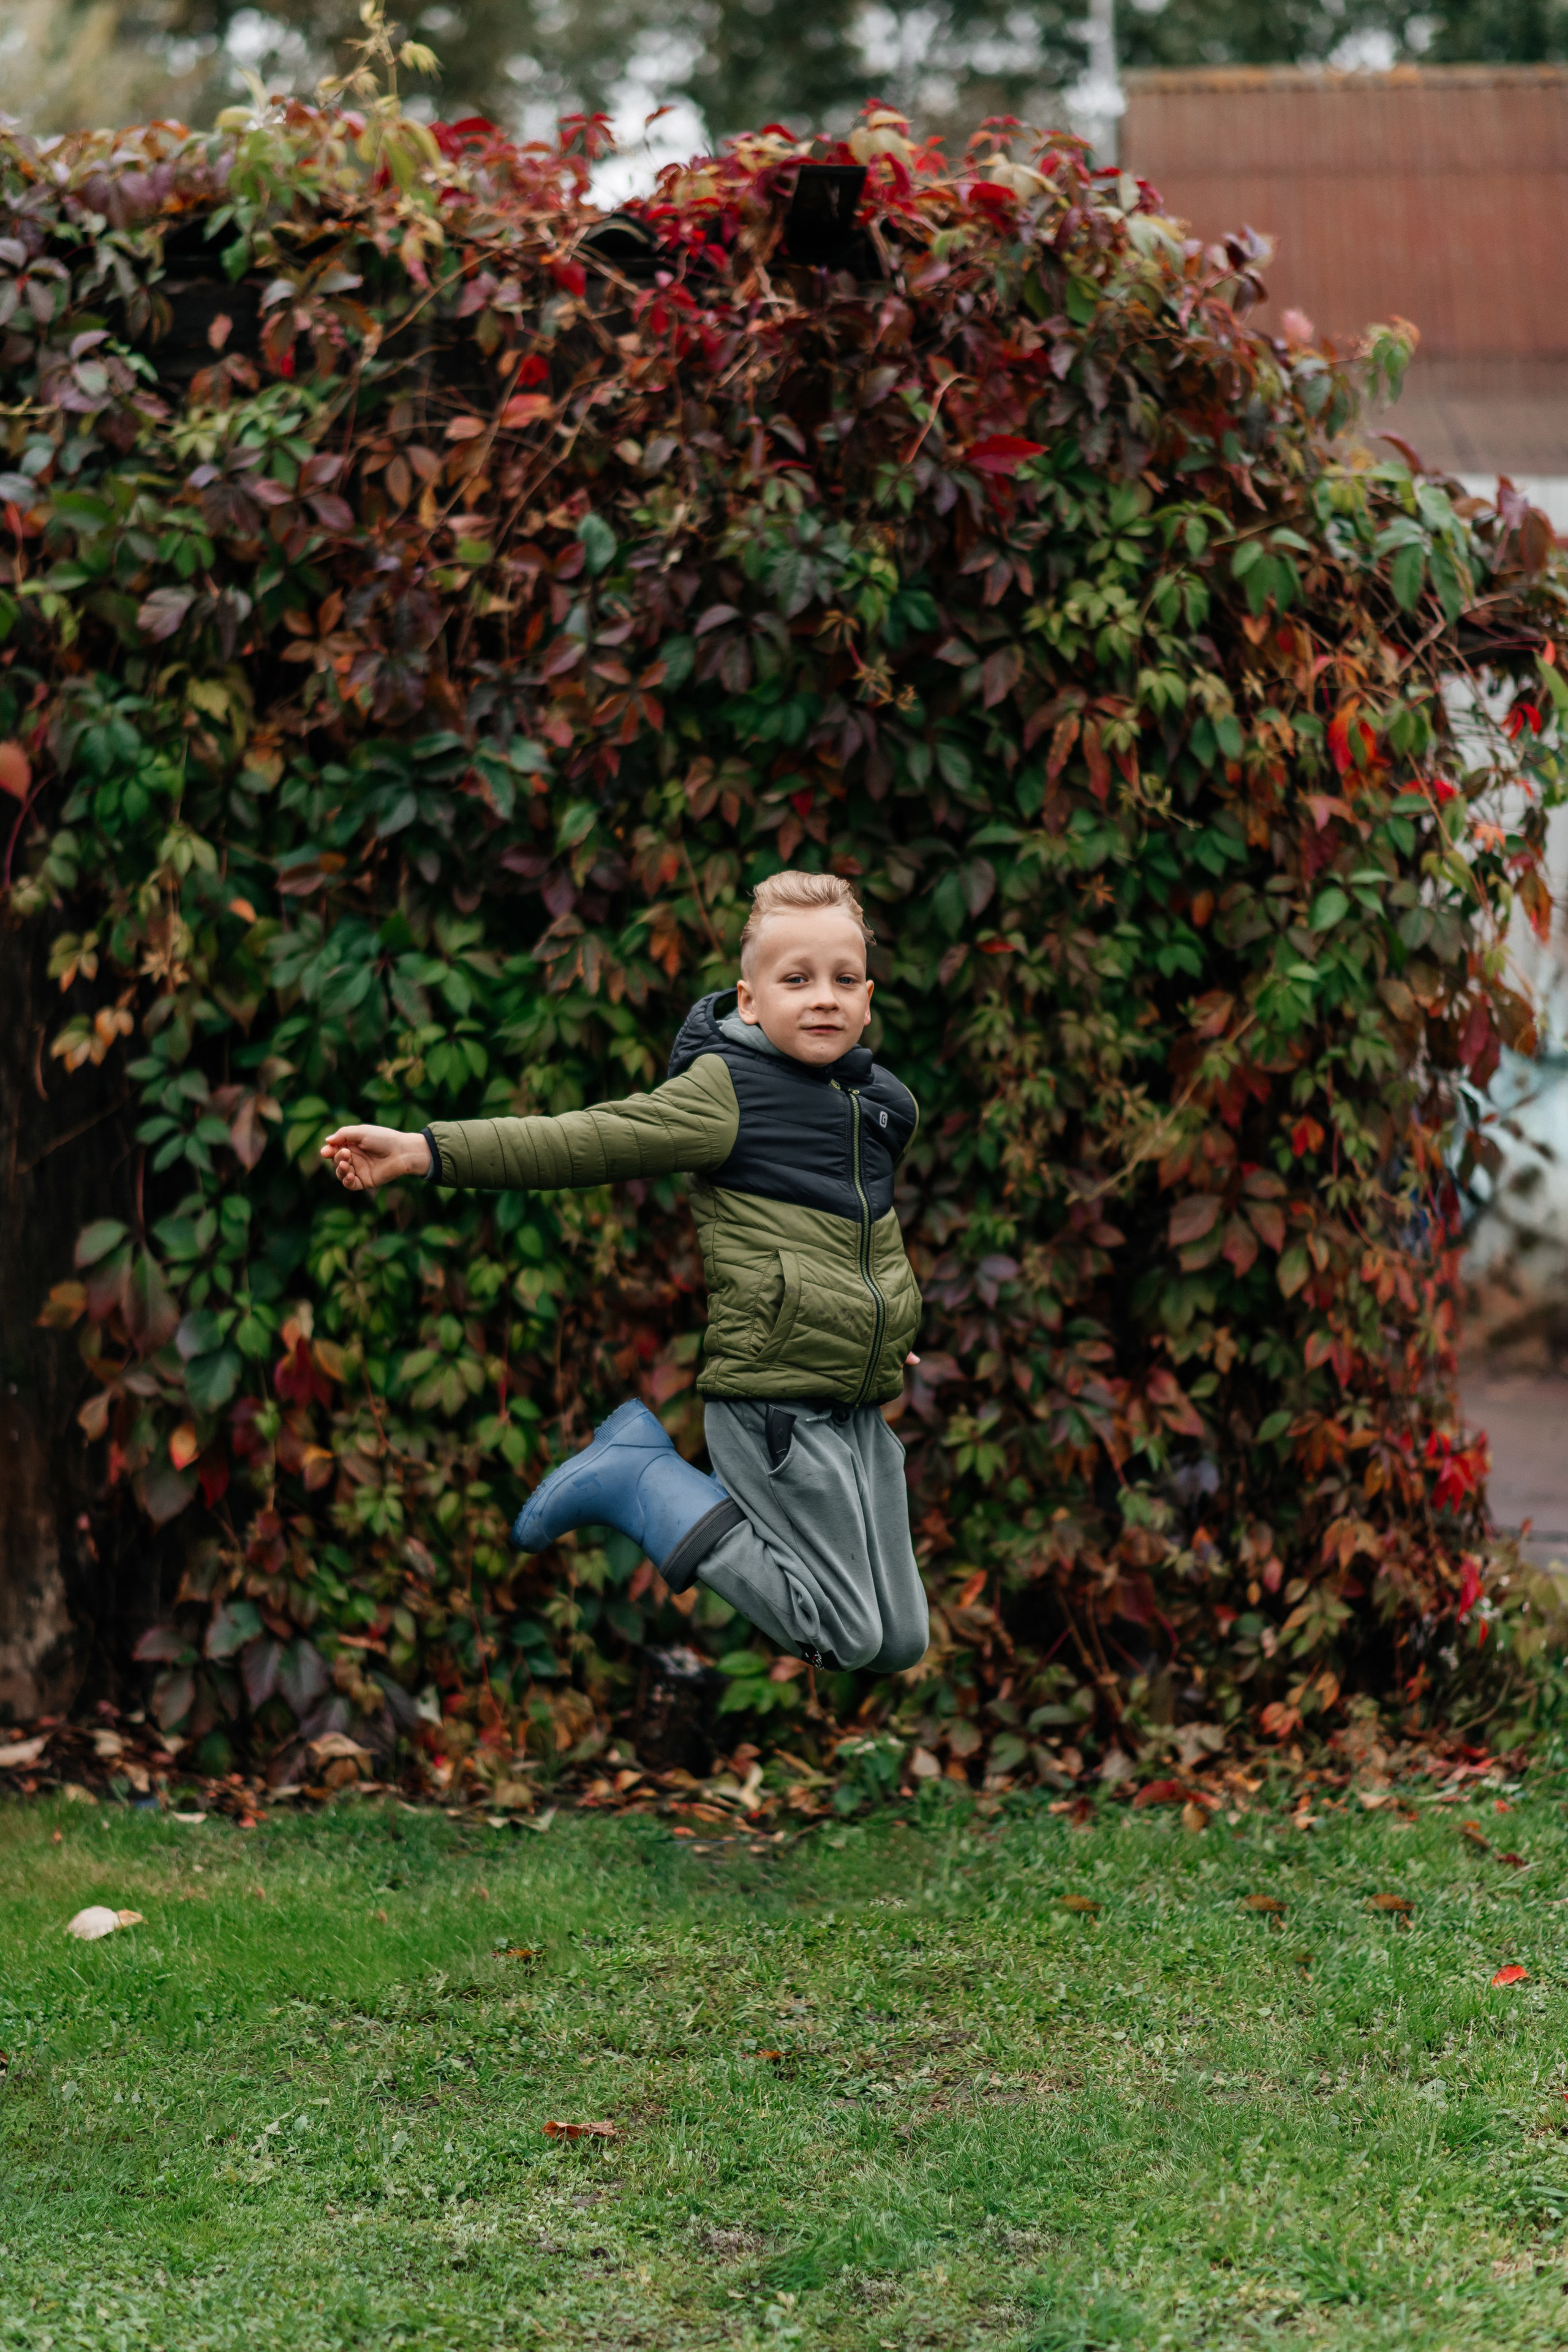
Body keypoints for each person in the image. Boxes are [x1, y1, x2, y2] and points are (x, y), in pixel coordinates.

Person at [320, 870, 929, 1675]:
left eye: (844, 980)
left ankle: (646, 1473)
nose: (824, 998)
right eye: (797, 980)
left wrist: (882, 1330)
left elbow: (863, 1245)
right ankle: (641, 1479)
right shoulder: (727, 1093)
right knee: (847, 1637)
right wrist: (426, 1150)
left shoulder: (884, 1106)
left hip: (855, 1406)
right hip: (776, 1404)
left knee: (901, 1641)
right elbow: (584, 1140)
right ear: (749, 1001)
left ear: (869, 995)